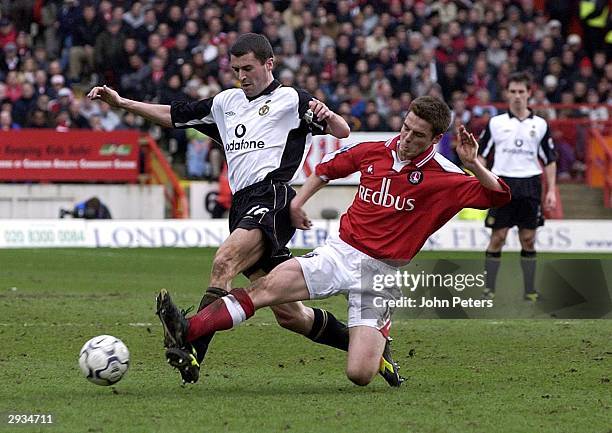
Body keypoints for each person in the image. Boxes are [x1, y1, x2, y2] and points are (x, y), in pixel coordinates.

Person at [88, 33, 405, 386]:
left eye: (248, 67)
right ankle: (370, 348)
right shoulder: (226, 103)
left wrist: (327, 113)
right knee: (290, 315)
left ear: (269, 64)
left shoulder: (291, 99)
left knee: (224, 261)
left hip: (272, 198)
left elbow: (342, 130)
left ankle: (192, 348)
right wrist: (122, 104)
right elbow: (174, 115)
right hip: (242, 205)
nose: (242, 75)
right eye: (236, 68)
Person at [156, 96, 512, 386]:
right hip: (340, 253)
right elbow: (328, 166)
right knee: (265, 289)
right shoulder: (375, 150)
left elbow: (500, 197)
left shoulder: (448, 176)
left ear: (435, 139)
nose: (406, 138)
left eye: (418, 135)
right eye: (405, 127)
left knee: (359, 375)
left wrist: (475, 165)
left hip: (382, 274)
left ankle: (379, 341)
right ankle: (189, 328)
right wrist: (297, 203)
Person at [477, 72, 557, 302]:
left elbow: (549, 160)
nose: (517, 96)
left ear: (529, 94)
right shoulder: (496, 123)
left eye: (522, 91)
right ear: (507, 94)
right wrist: (480, 181)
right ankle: (488, 289)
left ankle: (529, 291)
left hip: (531, 183)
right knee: (498, 237)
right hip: (502, 183)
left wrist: (550, 190)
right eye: (513, 91)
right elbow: (481, 157)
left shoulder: (540, 125)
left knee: (528, 238)